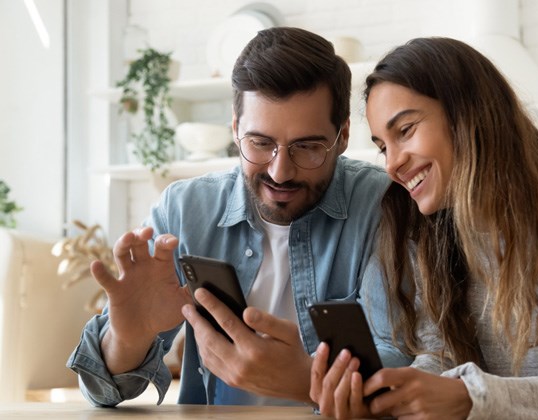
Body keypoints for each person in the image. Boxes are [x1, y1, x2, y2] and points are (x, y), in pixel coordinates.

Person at [310, 37, 538, 419]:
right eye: (383, 147)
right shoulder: (434, 231)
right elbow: (441, 358)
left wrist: (469, 396)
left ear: (466, 113)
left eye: (405, 130)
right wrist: (396, 398)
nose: (392, 164)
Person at [67, 27, 410, 407]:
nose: (280, 172)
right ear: (235, 129)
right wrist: (127, 339)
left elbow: (403, 364)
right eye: (260, 144)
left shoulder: (385, 206)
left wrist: (304, 378)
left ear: (343, 135)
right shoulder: (183, 210)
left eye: (307, 147)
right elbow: (102, 391)